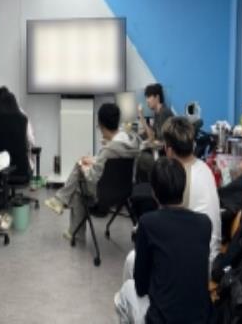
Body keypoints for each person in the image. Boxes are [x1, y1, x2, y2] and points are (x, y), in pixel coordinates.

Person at [122, 116, 221, 283]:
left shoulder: (180, 177)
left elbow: (169, 226)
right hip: (209, 255)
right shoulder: (204, 168)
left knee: (133, 260)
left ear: (168, 150)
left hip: (195, 265)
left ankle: (140, 297)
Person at [115, 158, 213, 324]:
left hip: (161, 320)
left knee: (125, 292)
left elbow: (141, 286)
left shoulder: (148, 222)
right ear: (184, 186)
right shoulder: (205, 223)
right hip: (201, 318)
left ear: (153, 192)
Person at [45, 103, 139, 241]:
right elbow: (110, 163)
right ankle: (60, 201)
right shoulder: (129, 141)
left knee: (78, 185)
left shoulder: (108, 150)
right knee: (82, 166)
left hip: (104, 193)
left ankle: (74, 229)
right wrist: (94, 160)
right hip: (125, 191)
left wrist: (84, 166)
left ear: (101, 124)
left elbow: (93, 177)